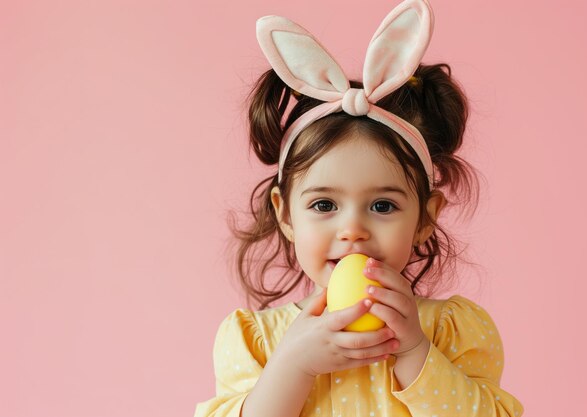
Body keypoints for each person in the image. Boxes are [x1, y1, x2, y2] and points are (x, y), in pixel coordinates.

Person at [194, 0, 524, 416]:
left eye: (383, 205)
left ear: (425, 218)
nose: (352, 229)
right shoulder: (259, 340)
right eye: (324, 204)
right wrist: (292, 366)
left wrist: (415, 352)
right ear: (285, 214)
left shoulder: (448, 332)